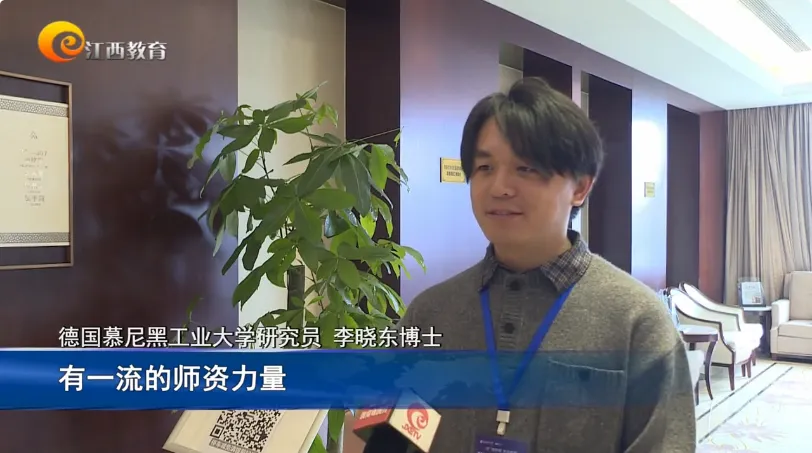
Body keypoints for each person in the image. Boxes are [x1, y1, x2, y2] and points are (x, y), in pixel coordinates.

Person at [396, 77, 695, 452]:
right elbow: (389, 439)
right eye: (485, 167)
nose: (500, 187)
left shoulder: (638, 321)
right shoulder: (430, 313)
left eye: (526, 168)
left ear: (580, 187)